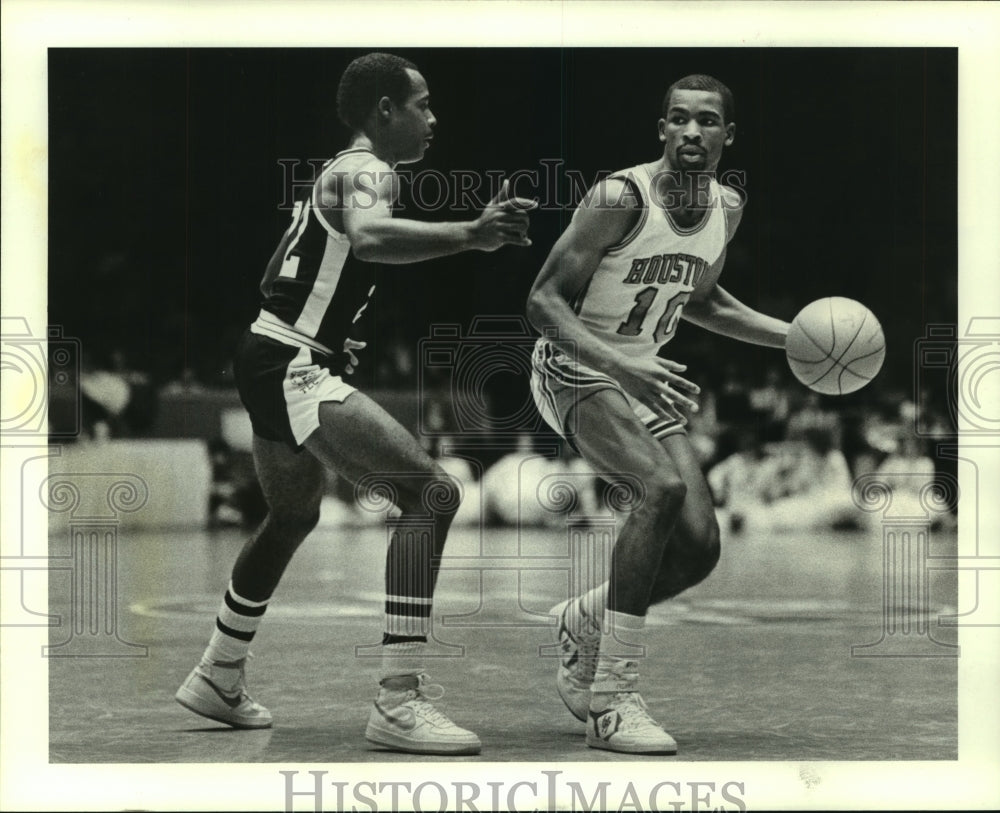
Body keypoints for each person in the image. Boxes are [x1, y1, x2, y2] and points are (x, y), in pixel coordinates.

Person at [175, 52, 536, 756]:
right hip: (289, 359)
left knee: (291, 515)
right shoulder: (369, 170)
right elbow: (370, 239)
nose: (435, 119)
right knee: (431, 495)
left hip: (266, 350)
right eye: (423, 105)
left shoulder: (335, 173)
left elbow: (302, 266)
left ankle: (218, 669)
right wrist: (471, 233)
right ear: (384, 111)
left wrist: (336, 334)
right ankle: (398, 700)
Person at [526, 74, 791, 754]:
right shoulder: (620, 197)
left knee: (700, 546)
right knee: (660, 489)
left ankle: (584, 619)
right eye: (679, 120)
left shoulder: (727, 208)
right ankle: (612, 697)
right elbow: (544, 302)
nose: (692, 132)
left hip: (641, 380)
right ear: (662, 130)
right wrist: (622, 365)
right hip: (574, 369)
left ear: (728, 135)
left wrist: (793, 338)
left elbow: (703, 300)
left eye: (707, 121)